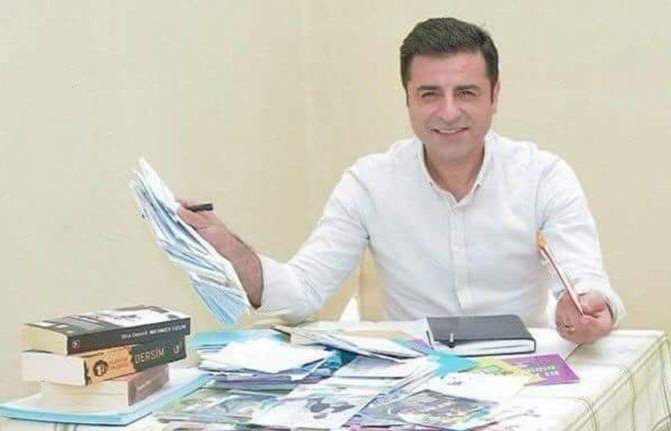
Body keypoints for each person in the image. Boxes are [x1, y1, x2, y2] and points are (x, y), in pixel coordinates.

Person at [178, 17, 625, 344]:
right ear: (408, 100)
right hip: (414, 379)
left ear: (494, 96)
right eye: (429, 94)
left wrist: (589, 308)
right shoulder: (368, 184)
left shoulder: (544, 176)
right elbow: (303, 293)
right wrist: (230, 250)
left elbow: (586, 281)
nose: (448, 112)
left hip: (524, 371)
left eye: (466, 92)